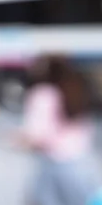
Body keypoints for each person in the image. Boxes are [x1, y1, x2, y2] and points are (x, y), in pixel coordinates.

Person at [19, 55, 100, 205]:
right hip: (82, 164)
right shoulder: (77, 89)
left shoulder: (43, 93)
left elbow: (38, 136)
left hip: (54, 166)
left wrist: (17, 140)